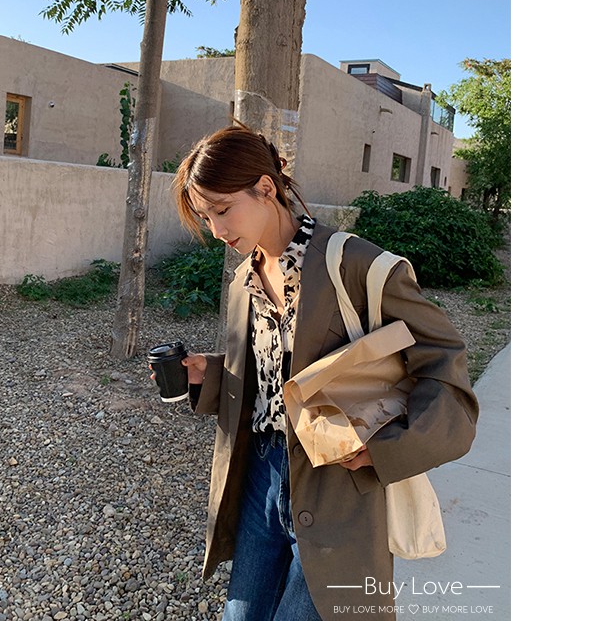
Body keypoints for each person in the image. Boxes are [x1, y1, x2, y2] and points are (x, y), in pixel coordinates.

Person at [169, 122, 479, 621]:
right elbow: (275, 378)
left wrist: (388, 448)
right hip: (261, 476)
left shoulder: (356, 265)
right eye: (206, 218)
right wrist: (213, 375)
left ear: (265, 188)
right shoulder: (244, 279)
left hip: (337, 482)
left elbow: (444, 361)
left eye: (223, 210)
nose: (218, 231)